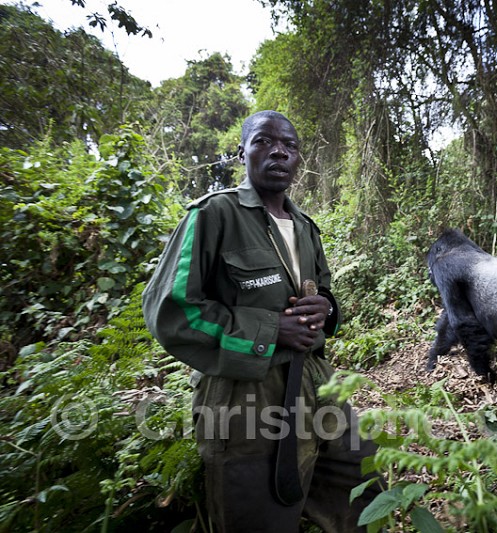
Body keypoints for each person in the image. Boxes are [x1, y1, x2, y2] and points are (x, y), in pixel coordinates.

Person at [142, 110, 382, 532]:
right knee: (257, 515)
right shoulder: (215, 214)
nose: (279, 151)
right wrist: (270, 332)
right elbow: (173, 311)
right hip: (245, 396)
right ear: (243, 152)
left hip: (317, 383)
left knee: (363, 486)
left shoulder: (306, 227)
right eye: (264, 141)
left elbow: (322, 293)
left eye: (289, 145)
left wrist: (325, 309)